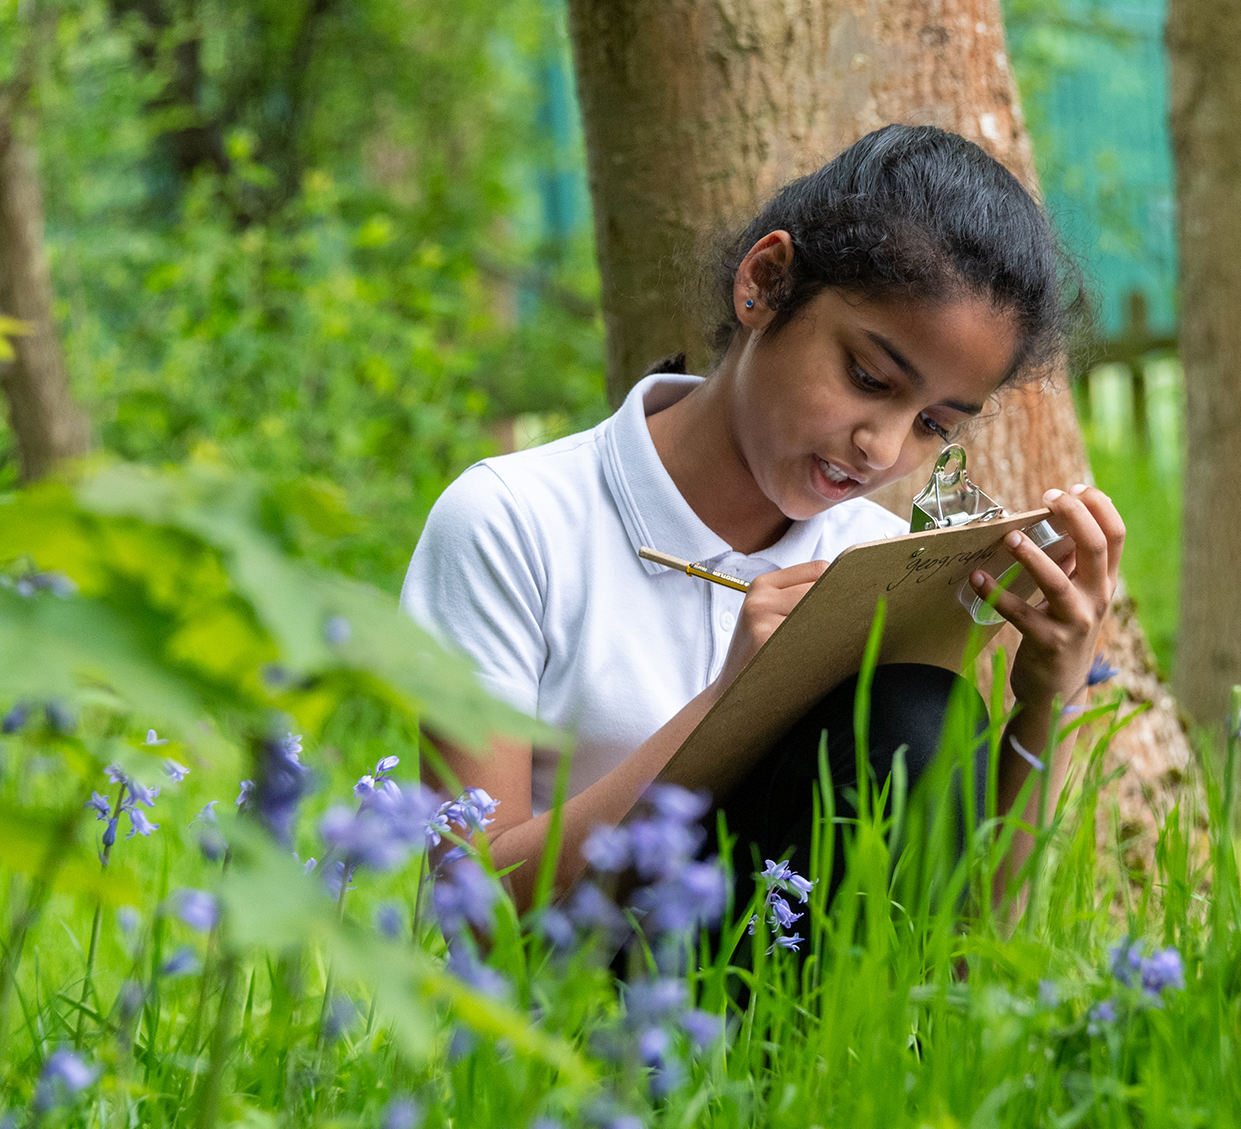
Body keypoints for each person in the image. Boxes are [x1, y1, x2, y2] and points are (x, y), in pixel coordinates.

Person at [401, 124, 1126, 913]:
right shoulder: (514, 522)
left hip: (813, 1009)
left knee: (923, 714)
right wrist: (734, 703)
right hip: (588, 1012)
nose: (881, 448)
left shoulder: (881, 562)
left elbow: (962, 935)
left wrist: (1046, 700)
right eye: (868, 376)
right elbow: (477, 913)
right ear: (766, 282)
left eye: (934, 425)